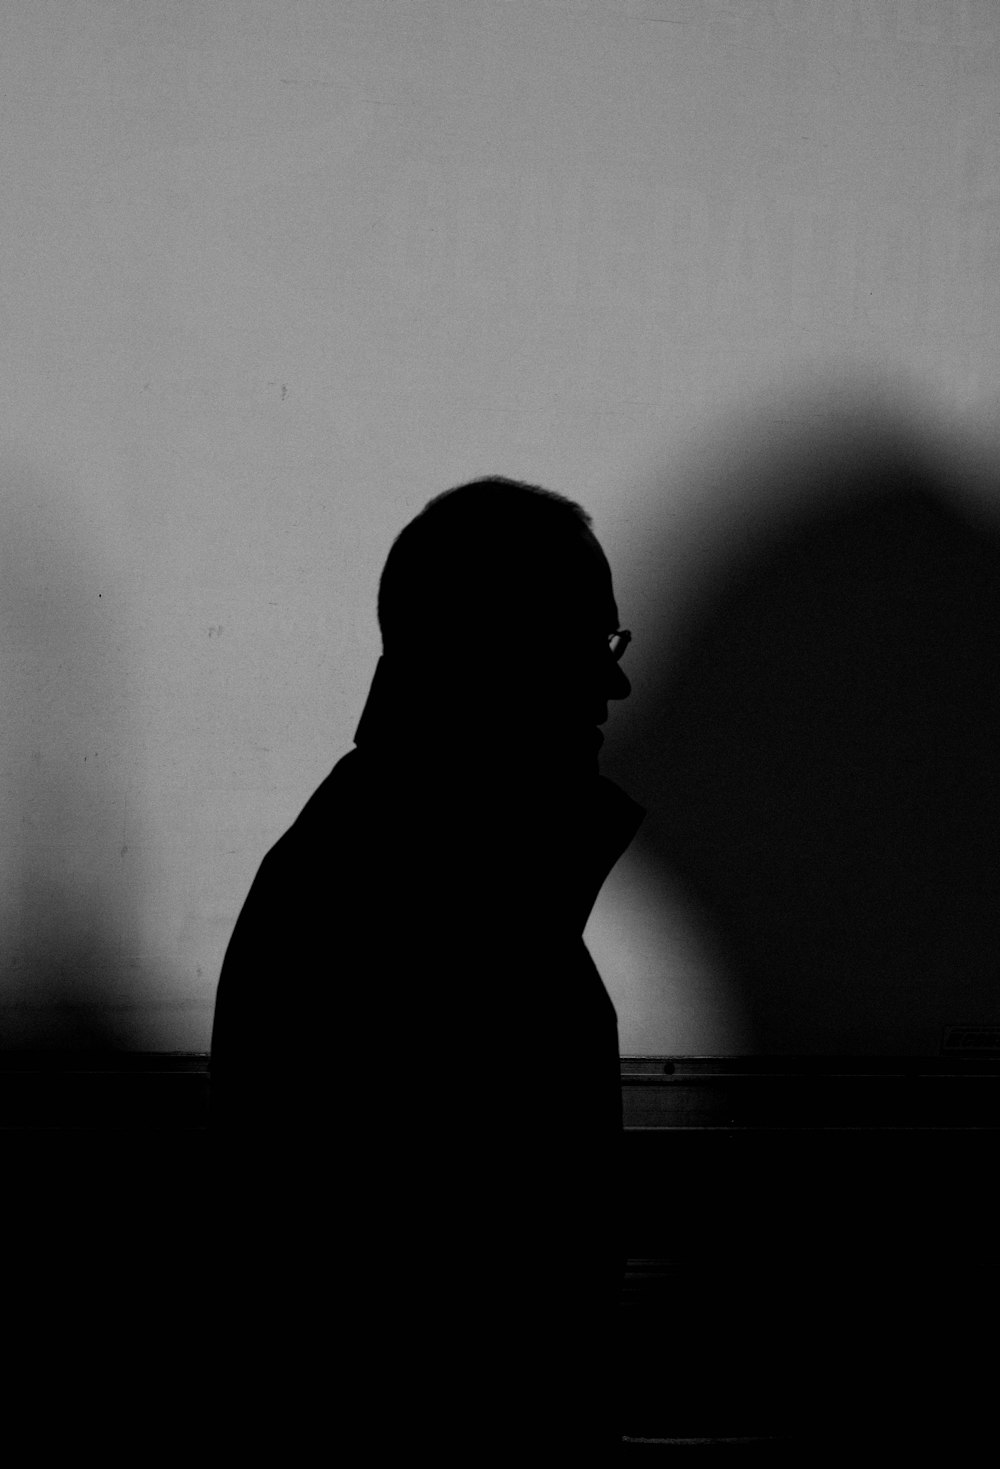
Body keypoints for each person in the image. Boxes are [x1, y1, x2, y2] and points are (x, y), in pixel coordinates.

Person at [210, 477, 643, 1457]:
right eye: (588, 642)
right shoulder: (443, 898)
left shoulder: (381, 867)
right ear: (494, 649)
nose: (611, 685)